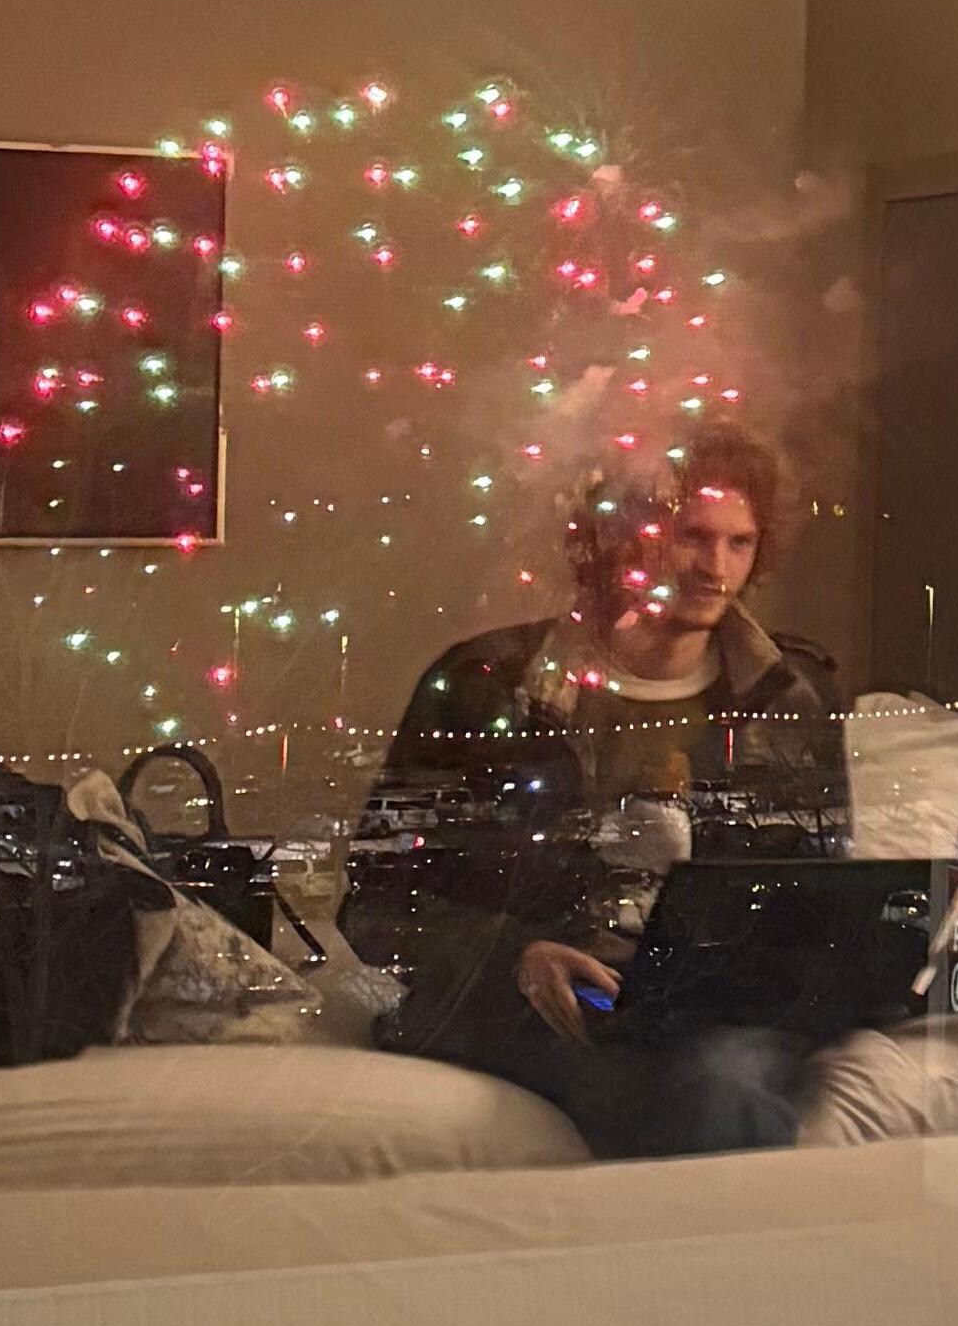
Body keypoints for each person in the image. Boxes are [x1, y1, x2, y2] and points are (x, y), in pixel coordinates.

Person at [350, 429, 844, 1156]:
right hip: (533, 1002)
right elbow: (378, 898)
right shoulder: (488, 685)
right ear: (619, 539)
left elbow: (825, 892)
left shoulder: (791, 697)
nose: (716, 569)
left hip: (714, 1006)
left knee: (728, 1074)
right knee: (689, 1085)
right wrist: (517, 957)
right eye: (690, 538)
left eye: (739, 543)